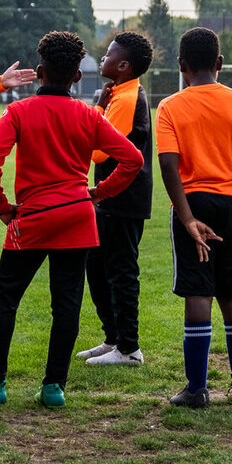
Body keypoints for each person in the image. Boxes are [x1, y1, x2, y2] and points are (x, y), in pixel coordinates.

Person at [0, 31, 143, 408]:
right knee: (66, 304)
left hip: (33, 217)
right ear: (78, 77)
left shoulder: (18, 112)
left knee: (5, 300)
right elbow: (133, 160)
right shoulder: (89, 115)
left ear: (40, 71)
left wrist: (1, 207)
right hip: (78, 216)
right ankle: (53, 387)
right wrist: (99, 193)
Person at [156, 27, 232, 409]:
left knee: (198, 292)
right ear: (220, 63)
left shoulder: (170, 106)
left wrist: (187, 220)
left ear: (182, 66)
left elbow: (168, 166)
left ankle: (197, 388)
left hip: (194, 203)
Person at [77, 30, 155, 368]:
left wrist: (98, 109)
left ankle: (129, 349)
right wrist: (100, 105)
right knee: (96, 265)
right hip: (109, 196)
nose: (103, 58)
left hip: (124, 197)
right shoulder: (118, 93)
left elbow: (96, 152)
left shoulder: (125, 99)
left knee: (121, 270)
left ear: (122, 65)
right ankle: (113, 338)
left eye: (108, 54)